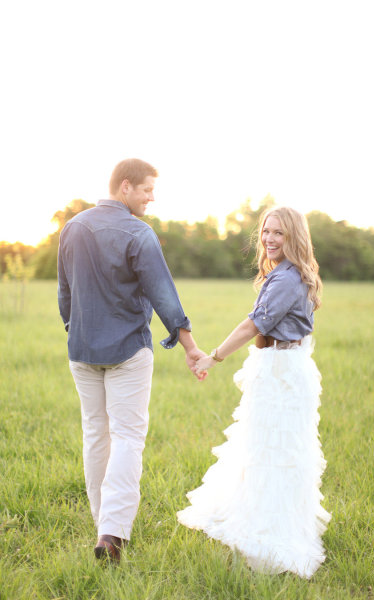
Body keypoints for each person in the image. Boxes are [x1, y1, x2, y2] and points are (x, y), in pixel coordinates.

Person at [58, 158, 206, 562]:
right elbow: (163, 295)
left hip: (82, 350)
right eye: (147, 190)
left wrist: (75, 330)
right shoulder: (139, 233)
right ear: (125, 186)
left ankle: (101, 524)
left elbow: (64, 292)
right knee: (126, 437)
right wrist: (191, 346)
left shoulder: (73, 227)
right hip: (127, 351)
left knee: (95, 435)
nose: (152, 198)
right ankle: (112, 534)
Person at [177, 206, 331, 578]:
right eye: (266, 231)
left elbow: (252, 326)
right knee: (266, 451)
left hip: (281, 375)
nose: (269, 239)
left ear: (294, 236)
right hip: (282, 369)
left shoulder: (286, 279)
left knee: (273, 455)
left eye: (279, 233)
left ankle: (271, 538)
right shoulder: (288, 274)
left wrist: (213, 357)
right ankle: (258, 523)